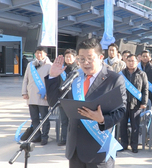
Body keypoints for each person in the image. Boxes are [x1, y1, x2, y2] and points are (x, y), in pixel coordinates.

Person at [45, 38, 127, 168]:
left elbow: (121, 111)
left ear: (100, 57)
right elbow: (54, 102)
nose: (85, 63)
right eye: (81, 59)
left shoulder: (114, 79)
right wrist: (53, 77)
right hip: (75, 149)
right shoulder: (74, 77)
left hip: (99, 149)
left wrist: (102, 119)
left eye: (90, 58)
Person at [21, 46, 52, 145]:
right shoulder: (30, 65)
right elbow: (25, 79)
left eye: (41, 53)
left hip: (43, 96)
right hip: (31, 96)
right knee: (34, 118)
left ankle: (44, 137)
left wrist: (49, 94)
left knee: (44, 118)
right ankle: (37, 136)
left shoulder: (50, 66)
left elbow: (51, 82)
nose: (39, 55)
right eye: (37, 53)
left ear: (45, 54)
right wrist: (24, 92)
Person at [119, 54, 148, 153]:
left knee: (135, 126)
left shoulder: (142, 74)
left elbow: (145, 89)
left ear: (137, 62)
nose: (131, 63)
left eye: (133, 61)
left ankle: (134, 145)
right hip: (123, 103)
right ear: (126, 62)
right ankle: (124, 144)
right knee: (122, 125)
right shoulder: (121, 73)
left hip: (136, 104)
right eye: (129, 61)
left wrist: (144, 102)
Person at [56, 49, 79, 146]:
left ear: (74, 58)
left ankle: (73, 139)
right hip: (63, 98)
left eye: (70, 56)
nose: (68, 58)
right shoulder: (61, 70)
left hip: (74, 99)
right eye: (66, 57)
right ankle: (64, 138)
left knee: (74, 121)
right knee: (64, 121)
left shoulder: (78, 70)